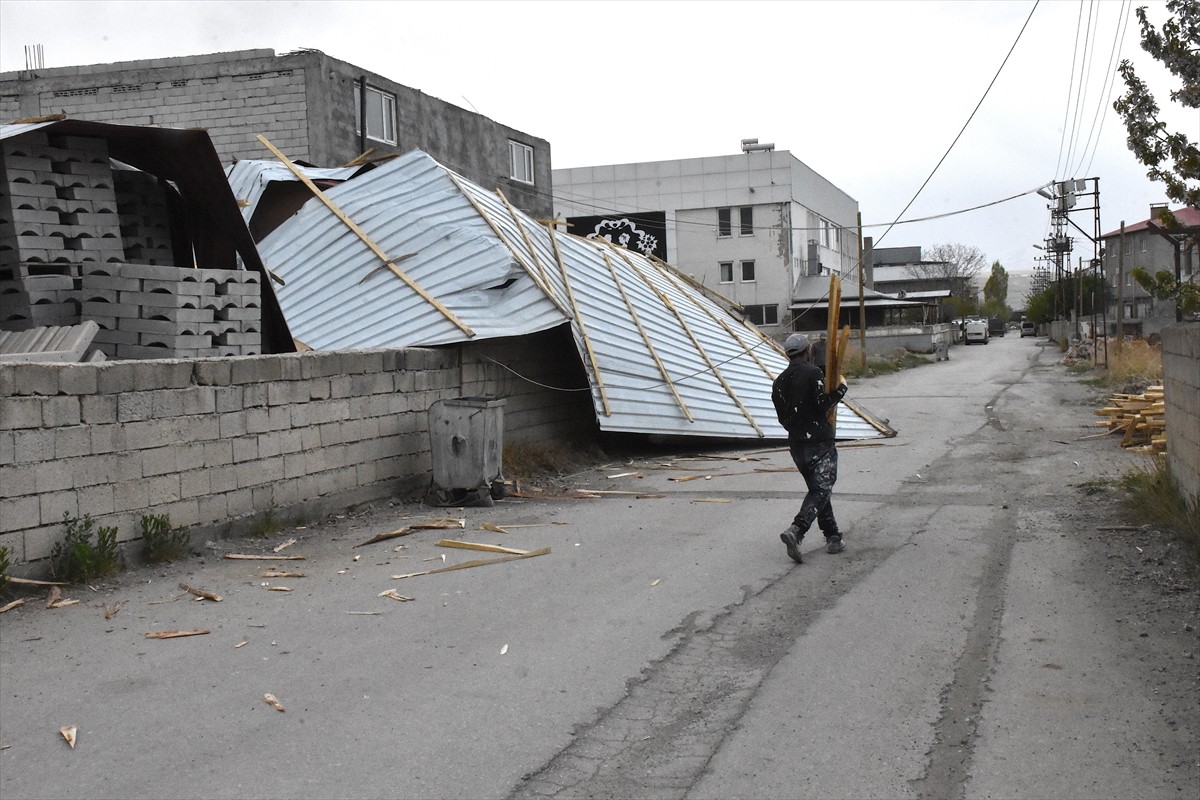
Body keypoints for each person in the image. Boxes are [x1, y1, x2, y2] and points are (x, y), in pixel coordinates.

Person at [771, 333, 848, 564]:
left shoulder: (779, 382)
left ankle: (833, 536)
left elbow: (782, 419)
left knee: (818, 489)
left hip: (796, 445)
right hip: (819, 442)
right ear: (807, 351)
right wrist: (841, 390)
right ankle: (797, 529)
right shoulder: (814, 373)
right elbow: (823, 404)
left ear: (787, 354)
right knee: (822, 488)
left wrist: (798, 426)